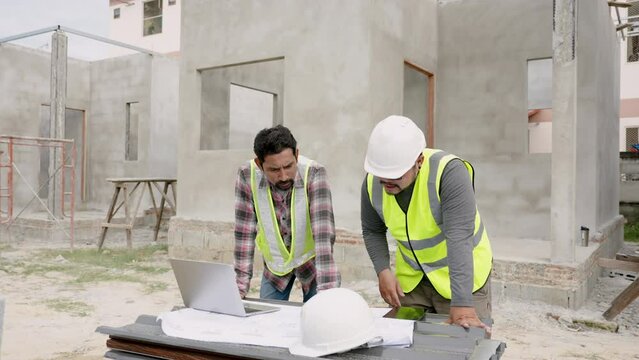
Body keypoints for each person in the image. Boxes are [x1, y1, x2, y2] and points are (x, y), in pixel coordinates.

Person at [361, 115, 493, 331]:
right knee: (405, 345)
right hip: (413, 281)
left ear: (419, 161)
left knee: (463, 344)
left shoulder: (449, 173)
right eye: (381, 176)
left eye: (395, 175)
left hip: (461, 278)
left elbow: (459, 236)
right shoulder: (372, 182)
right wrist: (383, 271)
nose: (386, 183)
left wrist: (462, 303)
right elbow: (372, 229)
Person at [234, 125, 340, 302]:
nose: (283, 176)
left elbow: (323, 236)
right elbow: (244, 233)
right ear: (259, 164)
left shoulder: (314, 173)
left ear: (296, 155)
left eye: (289, 166)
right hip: (276, 265)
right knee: (267, 321)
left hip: (311, 264)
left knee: (318, 316)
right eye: (274, 170)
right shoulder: (247, 175)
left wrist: (327, 293)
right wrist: (239, 287)